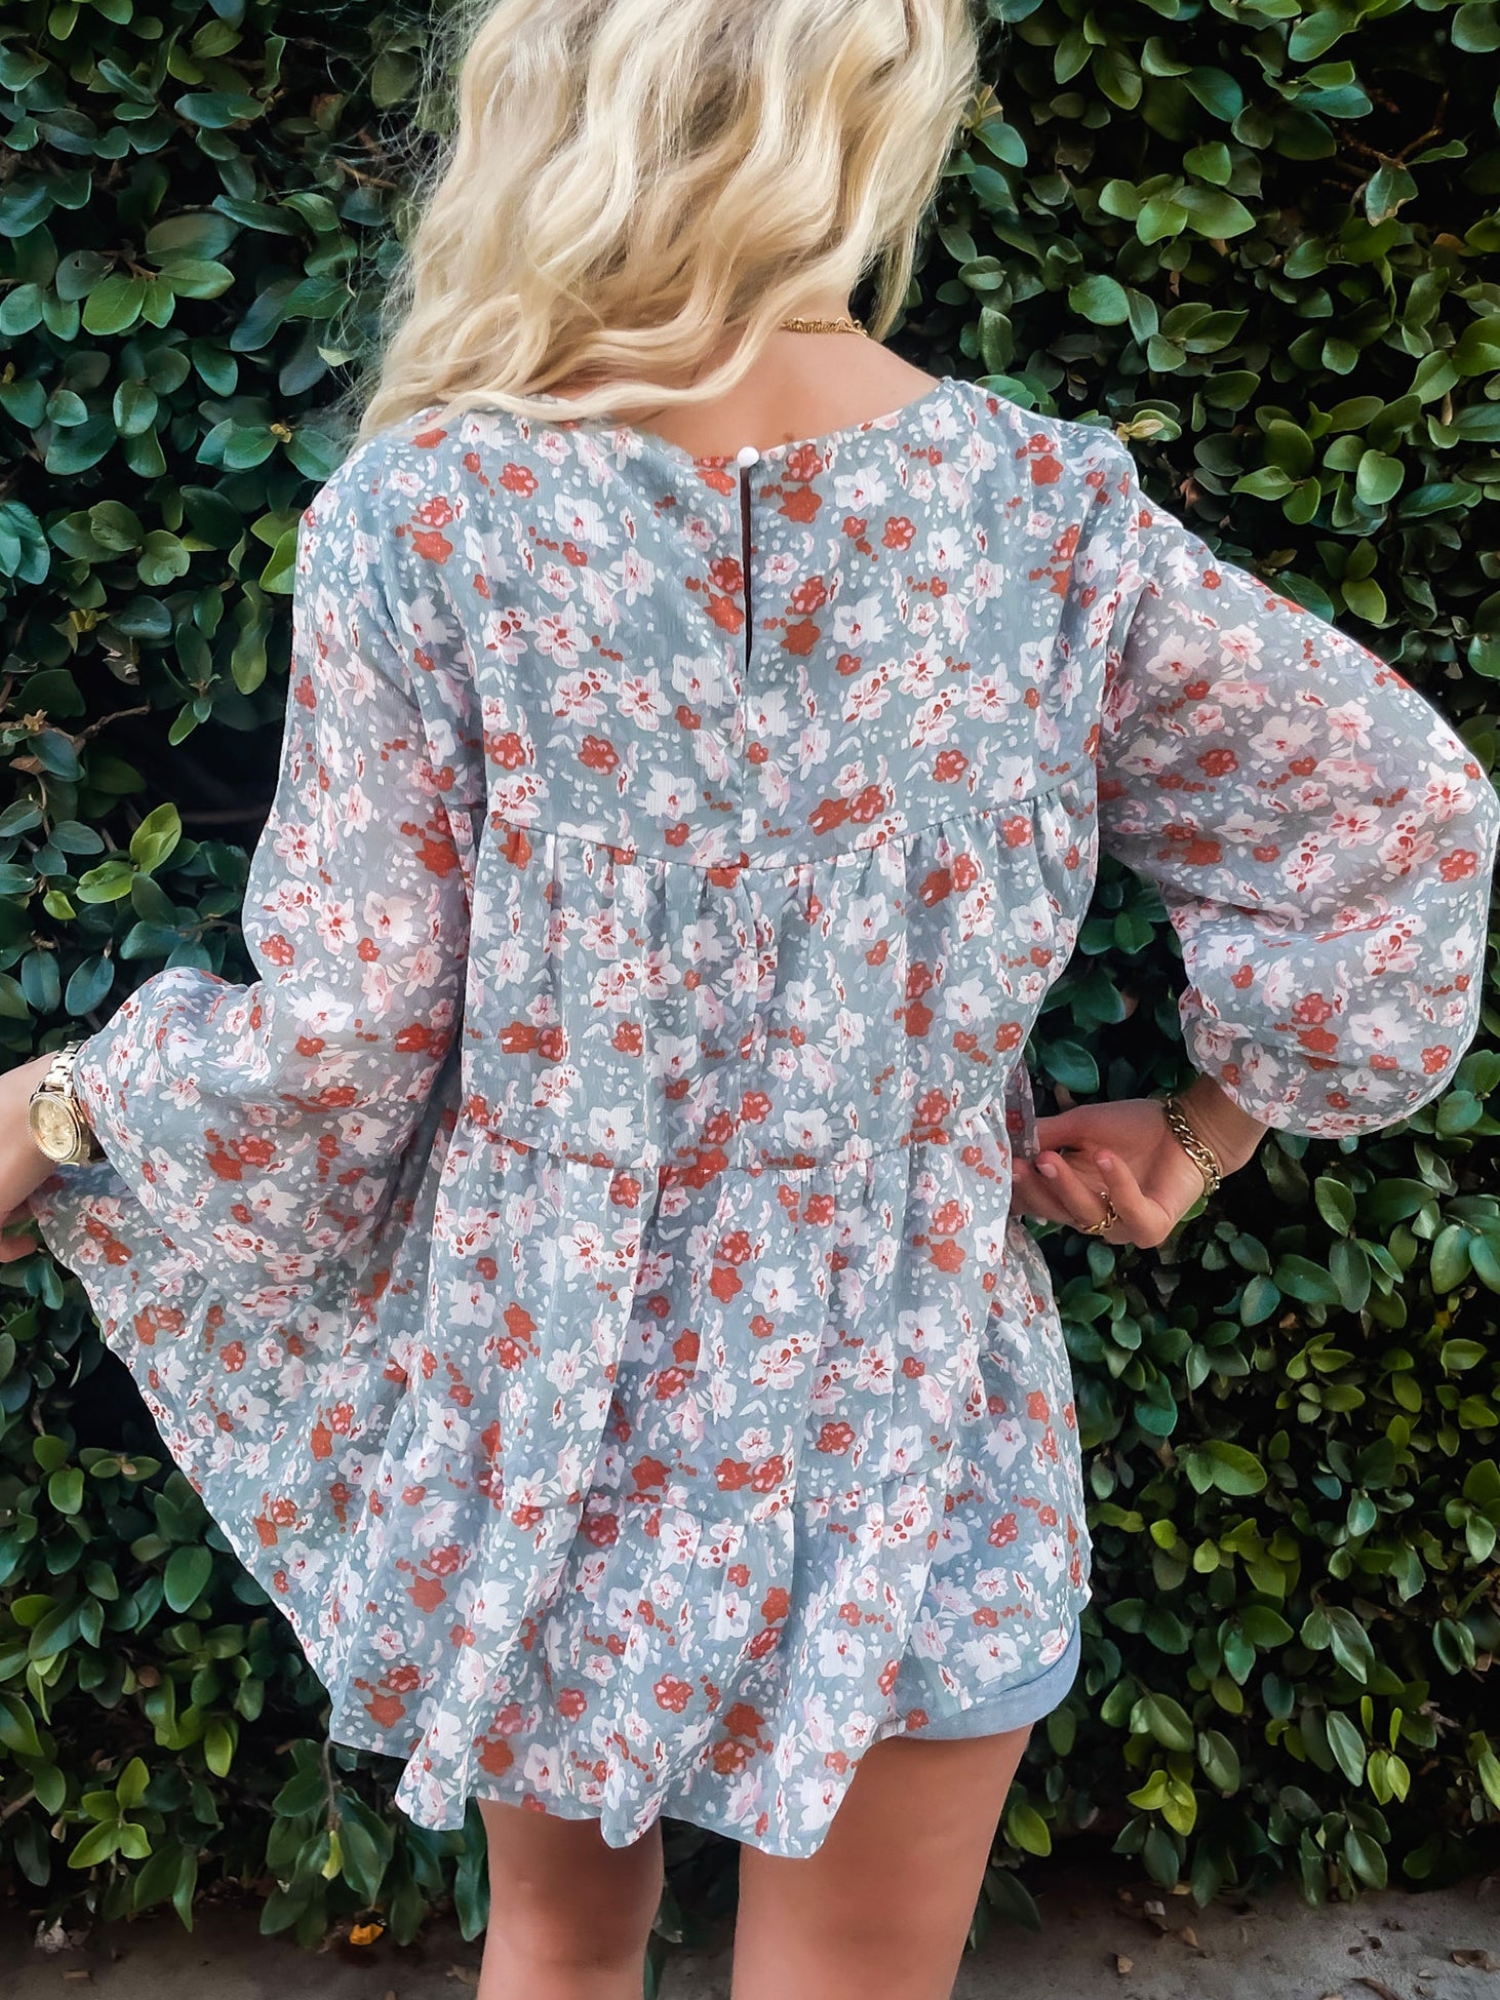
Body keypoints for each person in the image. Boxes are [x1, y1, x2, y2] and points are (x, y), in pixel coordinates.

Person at [3, 0, 1496, 1994]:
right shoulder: (1043, 518)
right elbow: (1396, 819)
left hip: (552, 1403)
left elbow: (345, 1041)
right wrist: (1202, 1128)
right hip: (917, 1402)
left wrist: (64, 1108)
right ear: (872, 109)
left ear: (551, 96)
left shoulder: (429, 516)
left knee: (558, 1955)